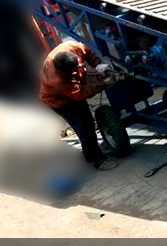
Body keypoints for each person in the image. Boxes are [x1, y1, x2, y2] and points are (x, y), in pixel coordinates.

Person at [39, 40, 118, 171]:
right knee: (83, 127)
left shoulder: (72, 46)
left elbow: (87, 52)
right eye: (73, 71)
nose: (78, 70)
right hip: (58, 100)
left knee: (88, 122)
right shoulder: (56, 79)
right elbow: (80, 94)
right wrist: (102, 84)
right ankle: (97, 159)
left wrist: (98, 64)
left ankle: (89, 153)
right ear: (64, 72)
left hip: (73, 91)